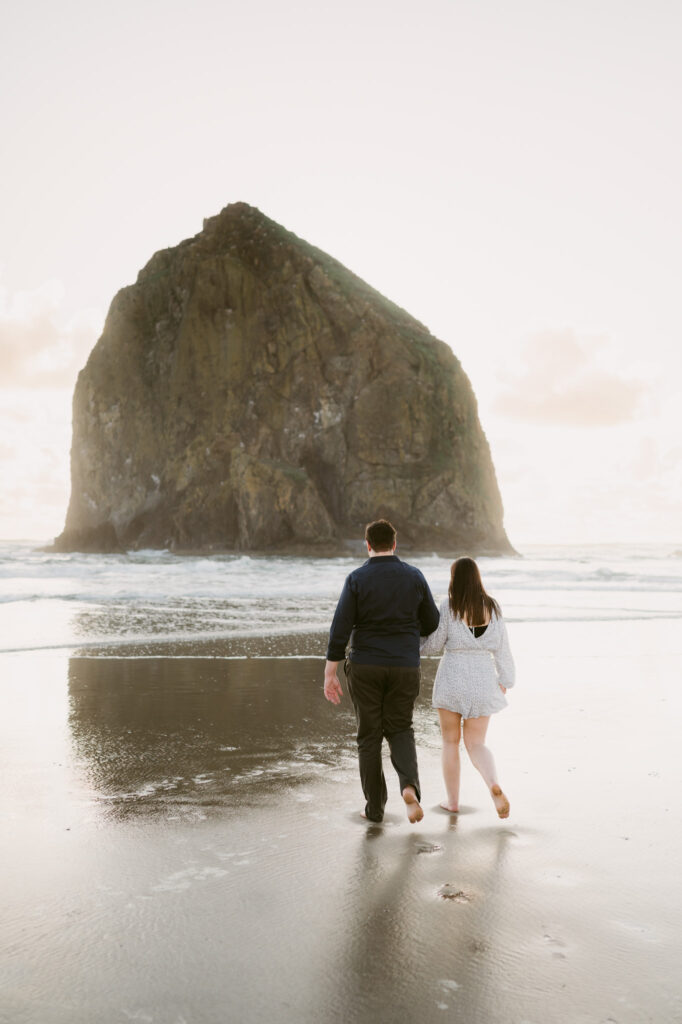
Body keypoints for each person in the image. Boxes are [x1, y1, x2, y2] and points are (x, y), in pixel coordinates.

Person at [323, 519, 440, 824]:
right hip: (404, 665)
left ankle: (375, 809)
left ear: (368, 545)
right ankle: (409, 787)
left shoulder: (357, 578)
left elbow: (341, 627)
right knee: (401, 728)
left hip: (366, 666)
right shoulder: (414, 576)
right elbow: (432, 621)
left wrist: (330, 672)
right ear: (395, 544)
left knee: (369, 737)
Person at [420, 556, 515, 819]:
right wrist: (506, 681)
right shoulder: (493, 608)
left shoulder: (449, 606)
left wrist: (414, 643)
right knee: (477, 744)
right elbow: (502, 649)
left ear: (454, 579)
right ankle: (493, 784)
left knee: (451, 742)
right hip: (483, 680)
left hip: (452, 678)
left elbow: (435, 644)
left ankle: (452, 802)